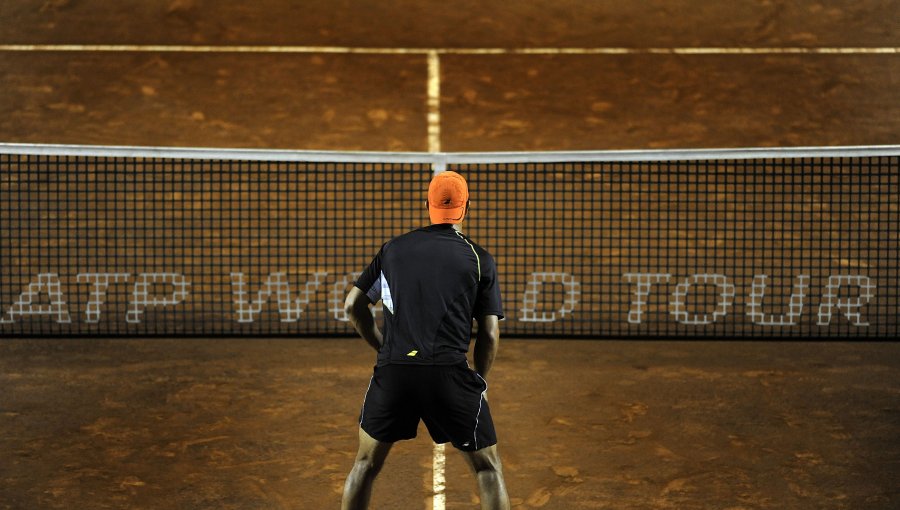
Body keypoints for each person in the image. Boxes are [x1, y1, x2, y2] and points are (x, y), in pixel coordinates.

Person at [341, 171, 510, 510]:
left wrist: (385, 349)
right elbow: (489, 333)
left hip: (395, 372)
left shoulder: (393, 250)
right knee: (487, 468)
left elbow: (353, 305)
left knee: (365, 465)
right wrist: (479, 380)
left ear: (427, 205)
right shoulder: (479, 260)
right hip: (449, 375)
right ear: (467, 207)